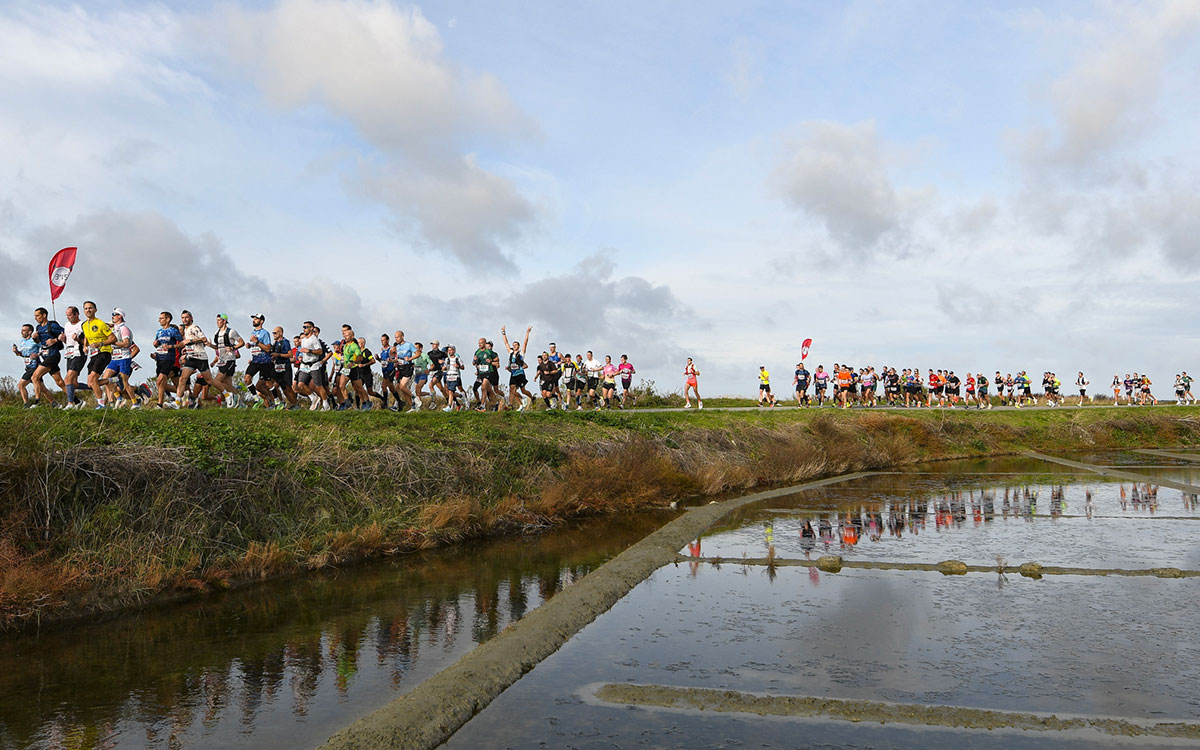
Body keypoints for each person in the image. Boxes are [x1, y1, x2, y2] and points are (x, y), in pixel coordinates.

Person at [81, 300, 115, 408]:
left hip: (104, 352)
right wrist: (85, 346)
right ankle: (114, 380)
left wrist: (100, 343)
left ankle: (101, 404)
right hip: (93, 355)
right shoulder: (85, 325)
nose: (88, 310)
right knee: (90, 384)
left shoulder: (100, 323)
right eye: (86, 308)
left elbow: (113, 338)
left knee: (93, 379)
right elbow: (86, 336)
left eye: (90, 308)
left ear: (95, 310)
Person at [103, 308, 140, 408]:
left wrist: (113, 342)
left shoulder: (124, 329)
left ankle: (135, 403)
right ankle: (118, 398)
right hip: (114, 358)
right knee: (105, 378)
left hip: (124, 357)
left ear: (120, 316)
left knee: (124, 382)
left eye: (115, 314)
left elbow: (126, 343)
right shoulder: (113, 329)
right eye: (112, 314)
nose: (113, 316)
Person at [30, 307, 67, 407]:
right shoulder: (38, 328)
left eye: (37, 315)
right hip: (45, 356)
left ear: (44, 315)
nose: (35, 318)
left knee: (35, 377)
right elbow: (40, 342)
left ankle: (37, 402)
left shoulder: (52, 325)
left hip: (53, 355)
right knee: (59, 382)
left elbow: (65, 333)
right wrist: (35, 339)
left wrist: (54, 340)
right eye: (35, 316)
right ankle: (76, 401)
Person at [207, 314, 244, 406]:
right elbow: (218, 347)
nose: (217, 323)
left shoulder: (231, 332)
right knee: (227, 383)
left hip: (229, 359)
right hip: (221, 360)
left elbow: (242, 342)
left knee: (216, 381)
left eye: (219, 320)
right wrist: (210, 345)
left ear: (224, 321)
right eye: (216, 321)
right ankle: (241, 404)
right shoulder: (217, 333)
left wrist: (232, 348)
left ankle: (229, 396)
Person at [151, 311, 183, 409]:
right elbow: (157, 343)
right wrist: (155, 344)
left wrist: (171, 346)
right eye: (159, 318)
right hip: (159, 358)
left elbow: (182, 343)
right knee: (160, 382)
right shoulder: (159, 331)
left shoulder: (173, 330)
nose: (159, 320)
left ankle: (159, 404)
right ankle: (160, 404)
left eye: (161, 318)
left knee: (161, 379)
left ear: (168, 319)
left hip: (169, 358)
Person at [60, 305, 89, 408]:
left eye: (70, 315)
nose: (68, 317)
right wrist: (62, 339)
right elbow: (67, 341)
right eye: (67, 315)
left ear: (76, 314)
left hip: (79, 353)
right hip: (69, 353)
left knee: (67, 379)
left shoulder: (83, 324)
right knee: (74, 383)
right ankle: (95, 387)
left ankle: (71, 403)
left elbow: (87, 341)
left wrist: (78, 340)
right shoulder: (67, 325)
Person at [243, 314, 275, 408]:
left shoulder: (265, 333)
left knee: (268, 384)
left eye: (256, 319)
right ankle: (257, 399)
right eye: (254, 318)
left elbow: (268, 349)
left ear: (261, 321)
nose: (254, 320)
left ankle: (277, 401)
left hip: (264, 361)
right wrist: (250, 345)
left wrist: (257, 342)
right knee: (247, 379)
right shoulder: (253, 332)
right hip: (255, 361)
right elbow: (256, 345)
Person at [501, 326, 534, 411]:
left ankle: (531, 398)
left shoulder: (521, 353)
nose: (514, 346)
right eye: (513, 345)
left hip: (520, 374)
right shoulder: (511, 353)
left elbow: (525, 343)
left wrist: (527, 333)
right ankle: (519, 403)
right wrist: (503, 332)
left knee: (523, 390)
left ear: (518, 346)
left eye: (516, 345)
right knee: (512, 390)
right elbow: (506, 343)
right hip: (513, 374)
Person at [13, 324, 39, 406]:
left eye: (24, 330)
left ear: (30, 332)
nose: (22, 332)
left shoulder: (34, 340)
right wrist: (17, 352)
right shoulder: (22, 341)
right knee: (42, 388)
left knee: (21, 385)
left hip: (35, 366)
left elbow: (43, 349)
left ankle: (26, 404)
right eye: (22, 330)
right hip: (28, 366)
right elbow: (23, 354)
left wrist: (37, 354)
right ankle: (54, 404)